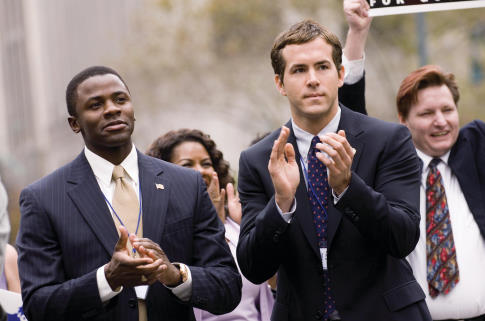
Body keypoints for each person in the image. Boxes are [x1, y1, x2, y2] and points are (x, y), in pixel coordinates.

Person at [236, 18, 432, 321]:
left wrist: (348, 188)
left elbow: (403, 237)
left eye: (322, 67)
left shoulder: (389, 140)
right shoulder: (258, 159)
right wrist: (281, 204)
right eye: (299, 70)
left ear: (340, 74)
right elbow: (253, 267)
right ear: (280, 83)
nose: (312, 79)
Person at [16, 66, 241, 321]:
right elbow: (37, 304)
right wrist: (107, 279)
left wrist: (175, 275)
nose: (112, 109)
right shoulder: (44, 199)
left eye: (120, 99)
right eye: (95, 105)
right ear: (74, 123)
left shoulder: (186, 184)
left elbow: (228, 286)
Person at [146, 128, 275, 321]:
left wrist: (252, 226)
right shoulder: (157, 232)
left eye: (206, 163)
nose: (200, 171)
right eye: (187, 164)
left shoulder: (238, 227)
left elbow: (276, 285)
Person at [395, 65, 485, 321]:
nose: (441, 121)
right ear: (403, 118)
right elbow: (355, 123)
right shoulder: (389, 169)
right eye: (426, 113)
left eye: (447, 110)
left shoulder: (477, 149)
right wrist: (357, 37)